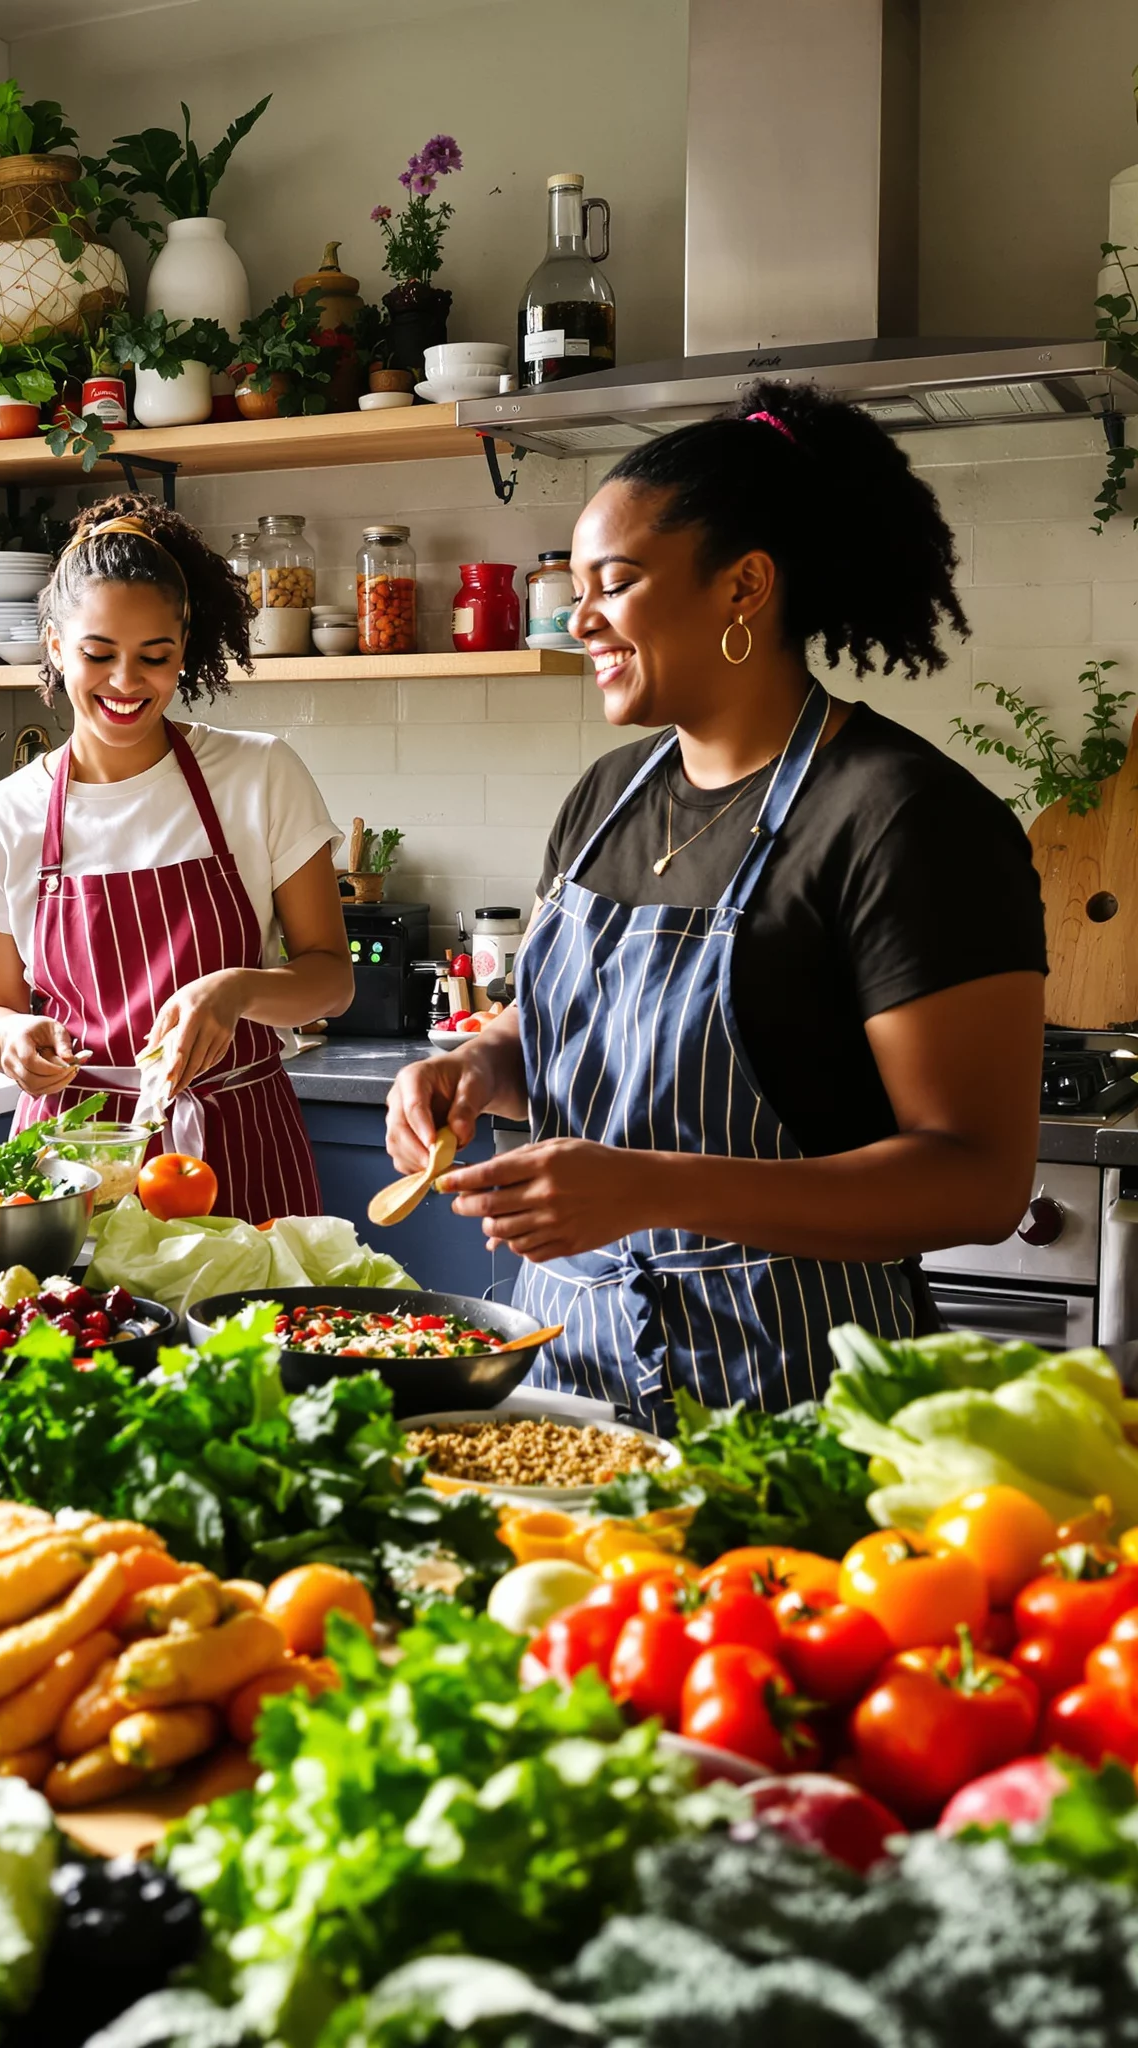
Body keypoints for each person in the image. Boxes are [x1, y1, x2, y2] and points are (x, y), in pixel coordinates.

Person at [386, 381, 1046, 1425]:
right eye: (576, 583)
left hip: (791, 1391)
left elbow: (974, 1180)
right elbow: (563, 1030)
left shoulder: (903, 820)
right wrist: (472, 1066)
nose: (576, 615)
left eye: (616, 580)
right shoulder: (606, 798)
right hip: (562, 1381)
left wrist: (651, 1188)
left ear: (742, 586)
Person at [0, 496, 353, 1223]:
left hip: (235, 1140)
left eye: (154, 657)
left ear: (183, 650)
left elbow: (330, 979)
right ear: (54, 645)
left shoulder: (259, 775)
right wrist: (13, 1038)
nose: (126, 682)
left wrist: (236, 990)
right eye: (98, 655)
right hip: (74, 1155)